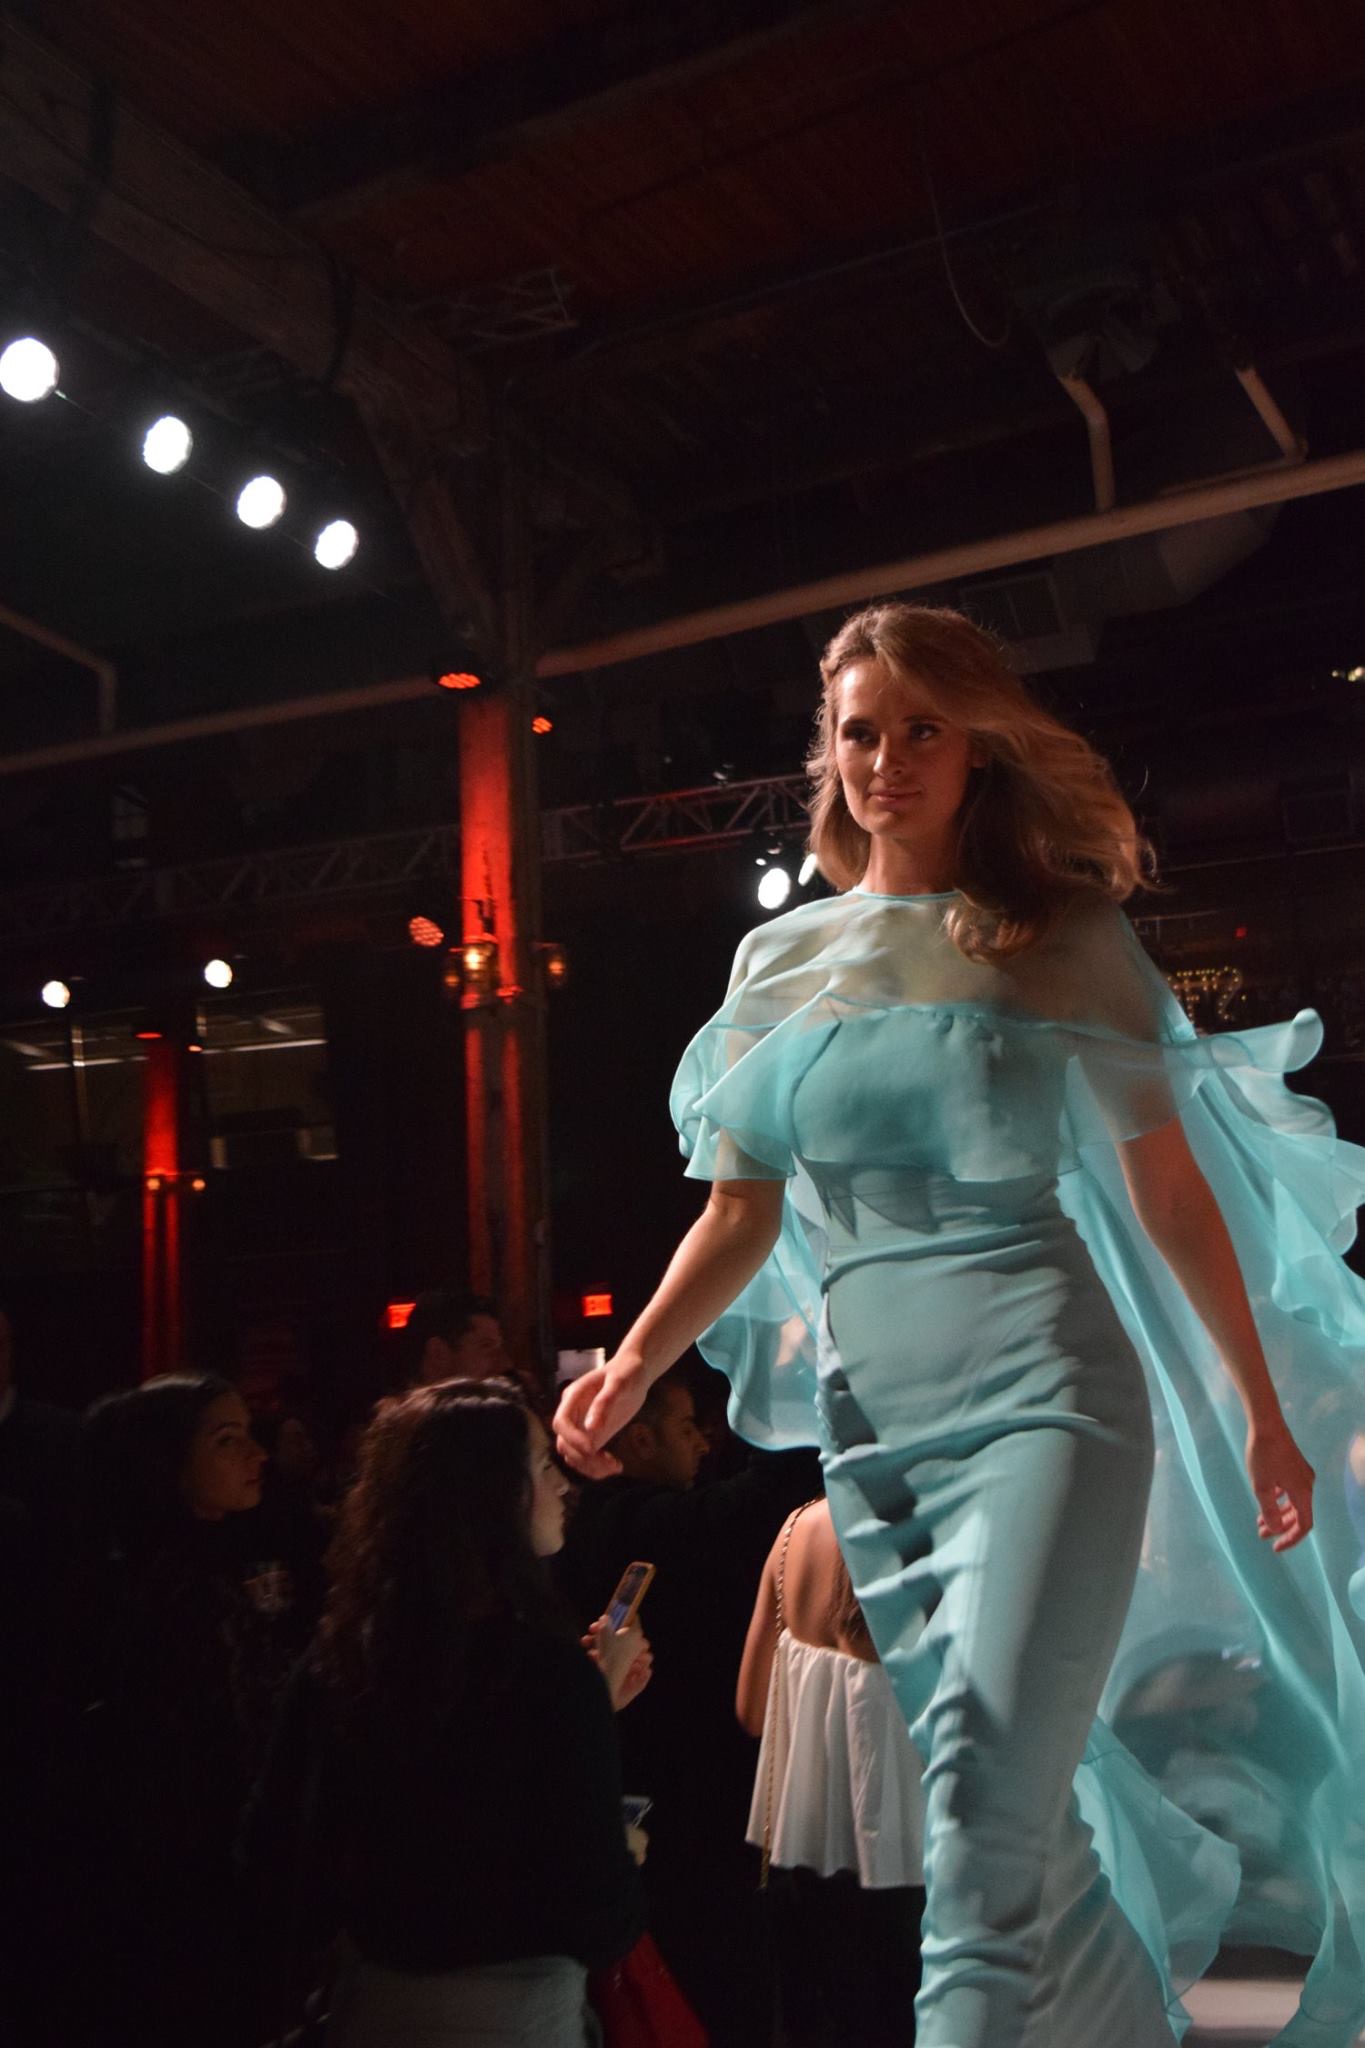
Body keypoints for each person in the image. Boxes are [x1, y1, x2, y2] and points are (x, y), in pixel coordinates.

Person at [556, 602, 1365, 2048]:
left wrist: (1259, 1408)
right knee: (1020, 1837)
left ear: (979, 744)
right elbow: (738, 1217)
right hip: (875, 1435)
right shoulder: (777, 965)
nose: (888, 759)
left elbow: (1171, 1196)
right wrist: (631, 1364)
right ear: (830, 753)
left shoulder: (1060, 934)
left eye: (922, 727)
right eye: (861, 732)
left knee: (978, 1833)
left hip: (1049, 1398)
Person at [245, 1378, 646, 2048]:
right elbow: (598, 1915)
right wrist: (624, 1853)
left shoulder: (344, 1657)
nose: (563, 1487)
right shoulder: (548, 1673)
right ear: (488, 1496)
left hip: (369, 2007)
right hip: (517, 2020)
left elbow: (278, 1852)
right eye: (542, 1465)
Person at [556, 1363, 818, 2044]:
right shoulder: (629, 1521)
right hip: (681, 1810)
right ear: (639, 1441)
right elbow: (754, 1507)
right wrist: (787, 1393)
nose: (702, 1441)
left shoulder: (621, 1521)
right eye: (683, 1427)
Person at [55, 1373, 273, 2048]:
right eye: (226, 1440)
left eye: (248, 1435)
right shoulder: (170, 1590)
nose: (256, 1454)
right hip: (187, 1888)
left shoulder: (203, 1564)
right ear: (169, 1463)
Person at [738, 1496, 926, 2048]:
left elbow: (752, 1712)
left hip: (808, 1855)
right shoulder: (928, 1538)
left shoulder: (793, 1530)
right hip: (910, 1862)